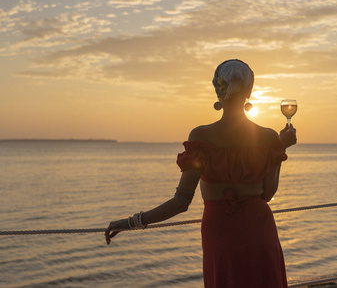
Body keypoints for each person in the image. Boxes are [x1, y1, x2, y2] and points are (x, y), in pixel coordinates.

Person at [105, 59, 297, 288]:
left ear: (218, 91)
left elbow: (181, 202)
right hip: (260, 231)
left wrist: (131, 222)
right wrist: (281, 149)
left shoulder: (201, 137)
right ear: (249, 91)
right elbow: (267, 194)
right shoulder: (267, 137)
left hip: (221, 235)